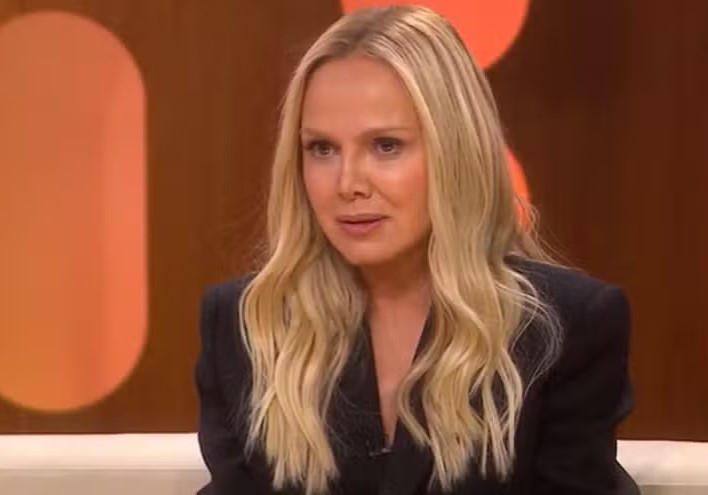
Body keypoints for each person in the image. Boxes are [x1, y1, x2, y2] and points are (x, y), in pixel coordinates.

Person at [195, 5, 638, 495]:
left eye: (385, 146)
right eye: (322, 149)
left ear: (456, 151)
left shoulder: (564, 328)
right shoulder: (249, 327)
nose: (347, 183)